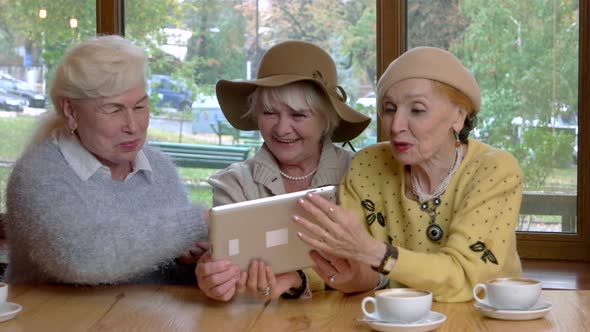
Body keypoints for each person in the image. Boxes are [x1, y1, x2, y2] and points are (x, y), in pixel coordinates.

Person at [294, 46, 524, 302]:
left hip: (482, 319)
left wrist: (377, 253)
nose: (396, 126)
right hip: (394, 322)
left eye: (417, 110)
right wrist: (295, 279)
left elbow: (465, 278)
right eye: (390, 109)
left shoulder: (493, 169)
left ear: (459, 115)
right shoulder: (368, 166)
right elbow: (348, 262)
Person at [4, 35, 209, 285]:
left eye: (140, 107)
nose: (132, 126)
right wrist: (197, 222)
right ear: (70, 110)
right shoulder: (37, 175)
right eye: (113, 109)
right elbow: (80, 258)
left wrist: (190, 263)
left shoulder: (160, 169)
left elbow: (169, 274)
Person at [195, 40, 371, 301]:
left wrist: (299, 279)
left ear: (327, 119)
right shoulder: (234, 184)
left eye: (298, 115)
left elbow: (376, 264)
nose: (282, 128)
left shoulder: (360, 175)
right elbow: (233, 274)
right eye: (269, 112)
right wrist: (215, 279)